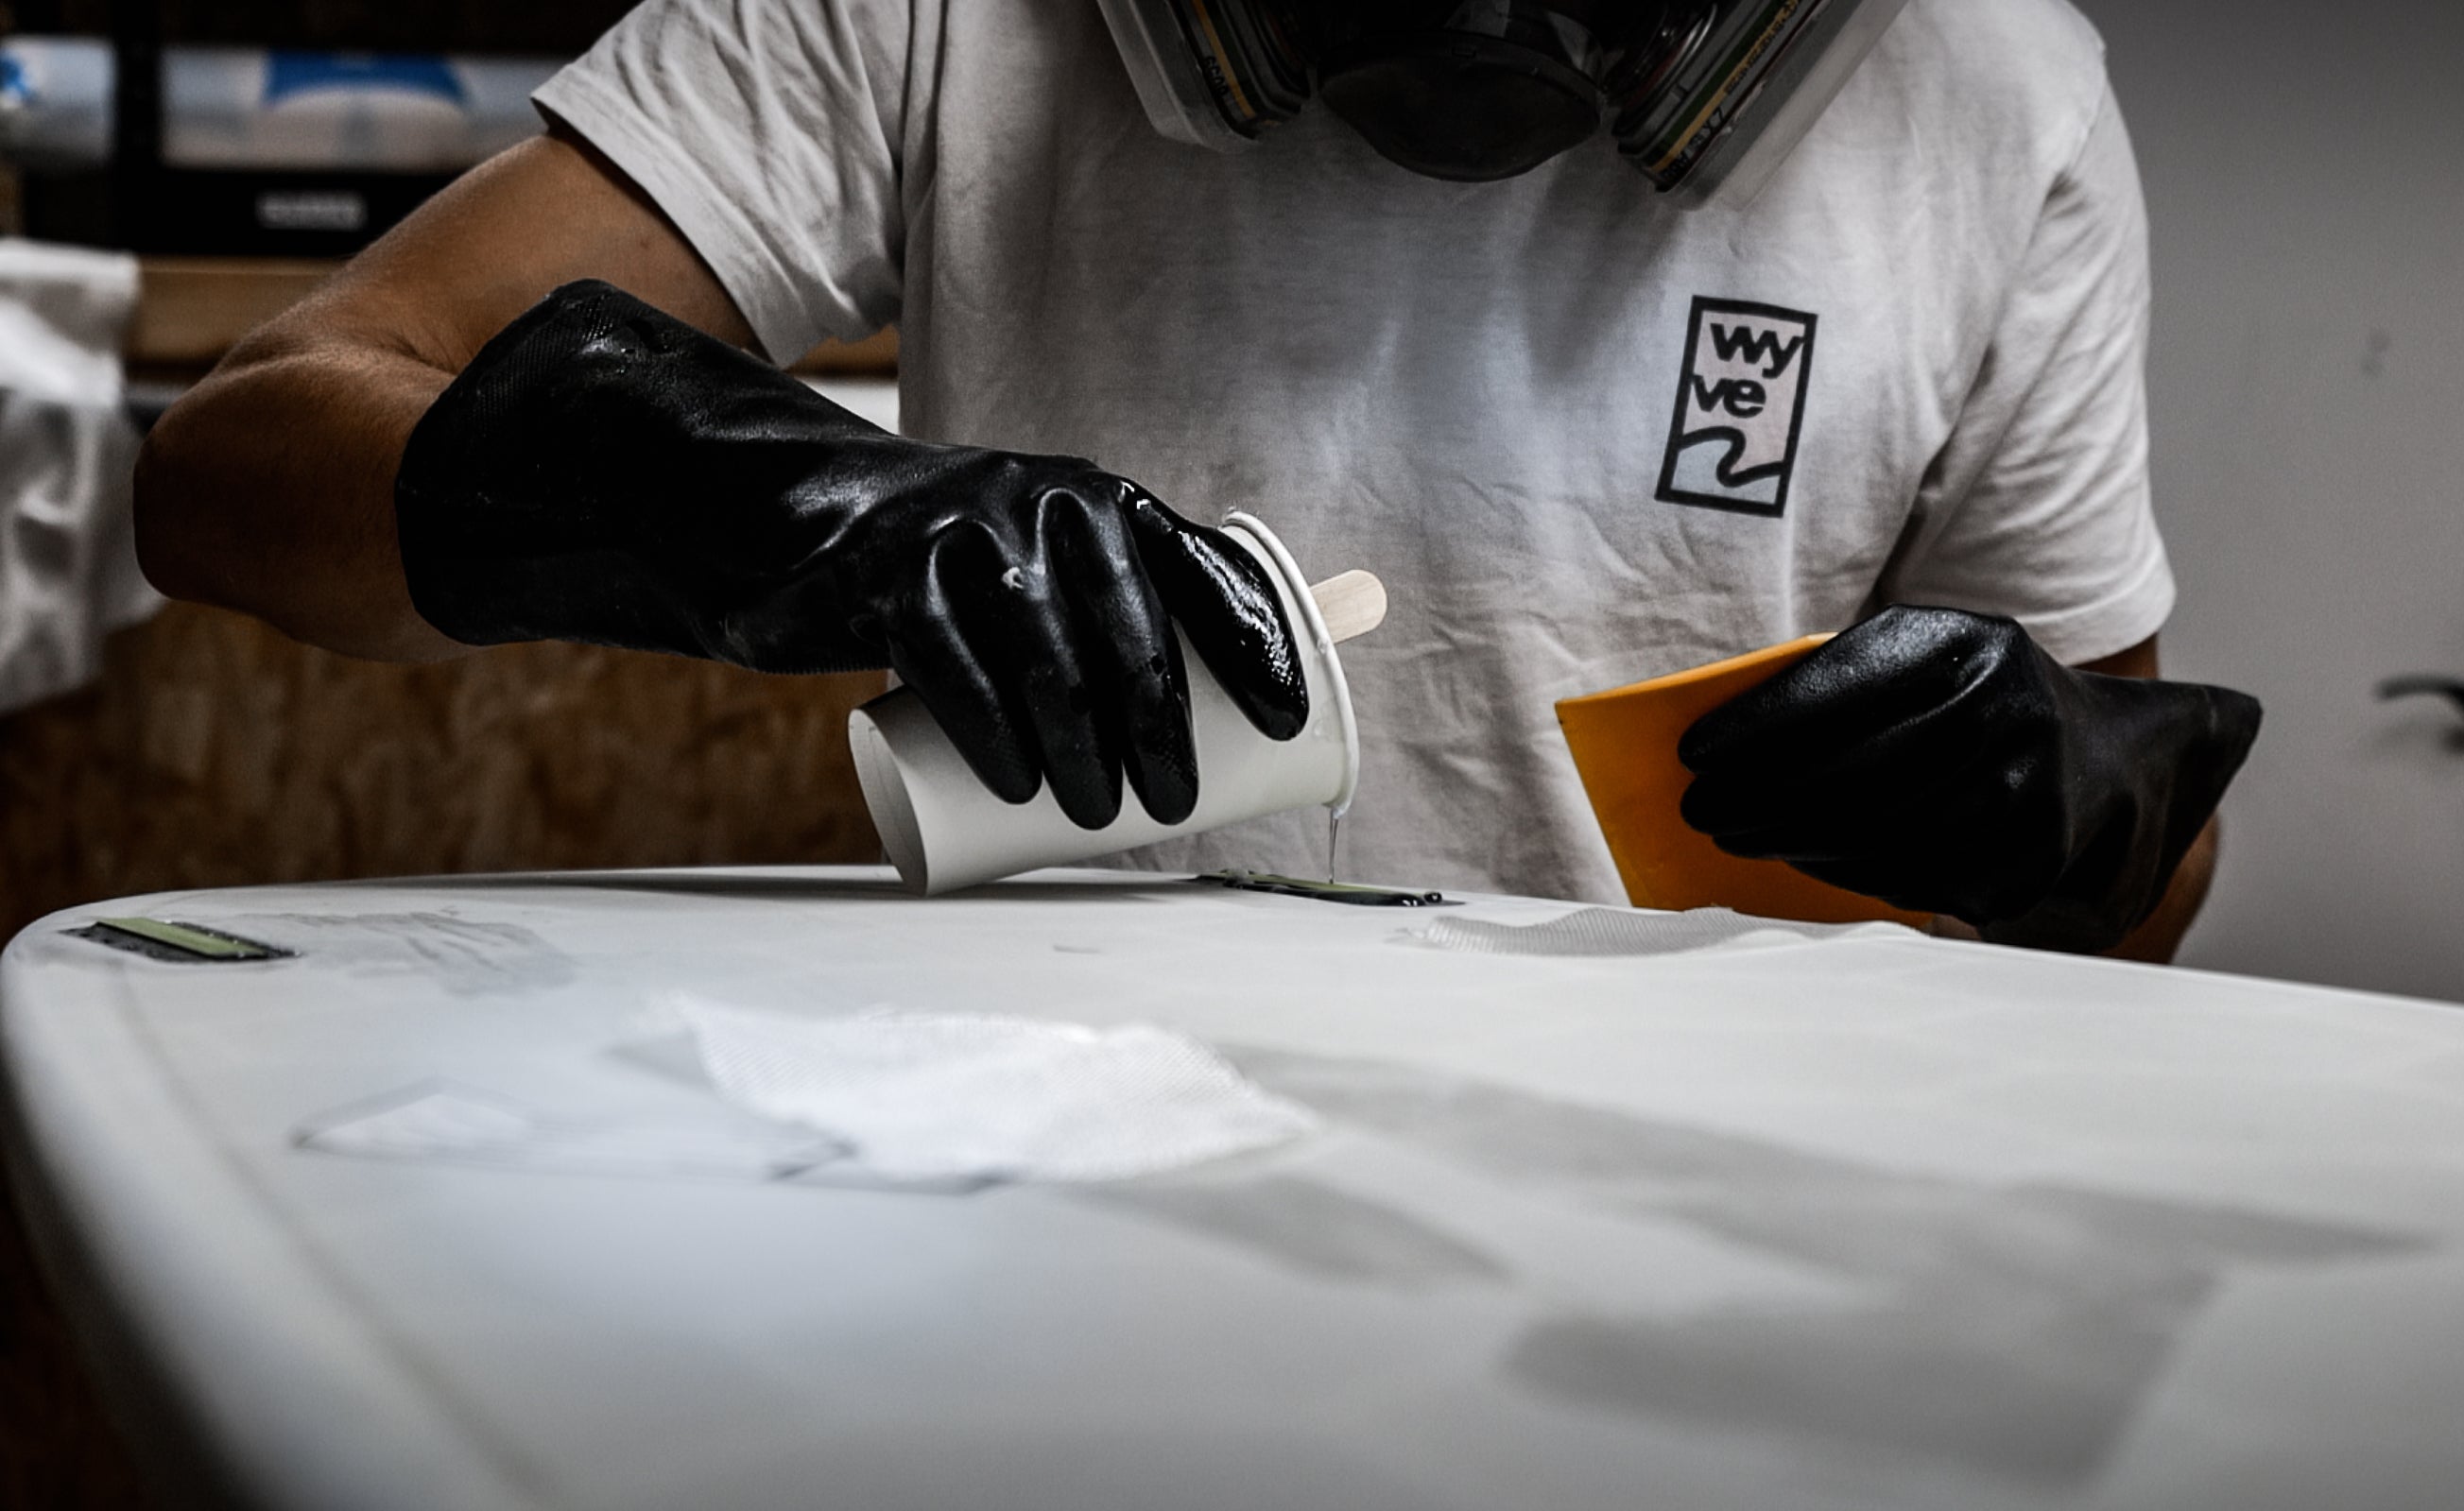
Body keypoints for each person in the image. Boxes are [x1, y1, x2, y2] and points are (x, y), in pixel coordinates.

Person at [131, 0, 2260, 958]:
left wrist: (2069, 810)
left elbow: (2135, 905)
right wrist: (722, 499)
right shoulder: (955, 17)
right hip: (1073, 1134)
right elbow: (238, 467)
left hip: (1696, 1224)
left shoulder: (1987, 88)